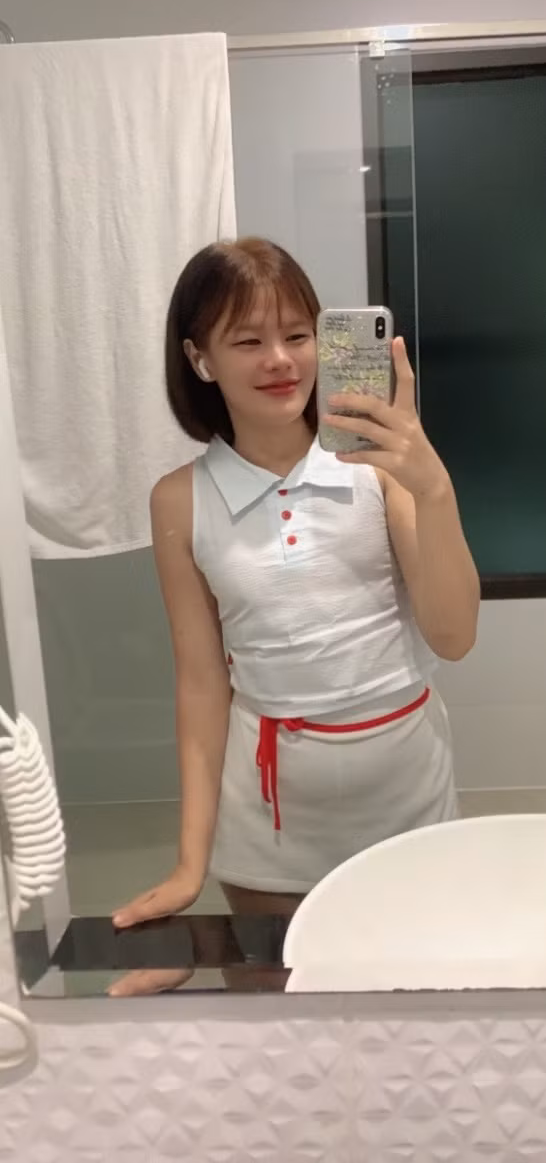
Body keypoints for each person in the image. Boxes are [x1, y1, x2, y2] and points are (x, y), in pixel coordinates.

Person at [109, 236, 479, 993]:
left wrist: (433, 488)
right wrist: (189, 866)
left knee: (416, 1018)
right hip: (268, 829)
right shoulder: (179, 501)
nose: (280, 360)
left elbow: (454, 635)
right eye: (248, 341)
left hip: (408, 802)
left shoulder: (379, 471)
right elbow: (202, 686)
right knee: (275, 1018)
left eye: (297, 335)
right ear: (200, 358)